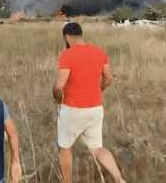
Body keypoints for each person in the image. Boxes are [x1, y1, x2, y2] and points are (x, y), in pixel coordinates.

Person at [53, 22, 127, 183]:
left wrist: (57, 98)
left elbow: (59, 86)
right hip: (95, 108)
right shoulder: (99, 51)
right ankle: (119, 179)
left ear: (66, 37)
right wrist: (98, 91)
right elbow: (108, 78)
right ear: (80, 34)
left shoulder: (67, 55)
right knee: (97, 148)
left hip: (72, 108)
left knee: (65, 148)